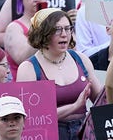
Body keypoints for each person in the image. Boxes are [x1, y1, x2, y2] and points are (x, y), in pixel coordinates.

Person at [16, 8, 102, 139]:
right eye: (57, 30)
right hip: (50, 134)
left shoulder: (81, 59)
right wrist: (74, 107)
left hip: (84, 131)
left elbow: (101, 100)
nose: (64, 34)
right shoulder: (28, 68)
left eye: (68, 28)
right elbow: (30, 118)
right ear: (42, 33)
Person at [3, 0, 47, 78]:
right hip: (24, 85)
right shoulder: (14, 27)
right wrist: (39, 30)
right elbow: (23, 58)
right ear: (21, 0)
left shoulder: (54, 23)